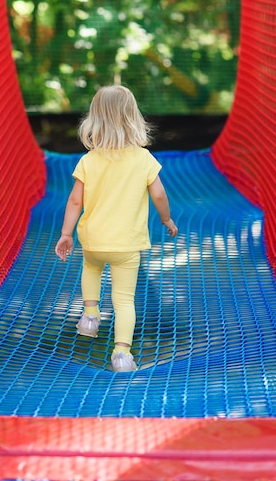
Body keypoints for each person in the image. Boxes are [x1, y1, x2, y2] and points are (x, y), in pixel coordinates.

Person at [55, 85, 178, 372]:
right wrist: (166, 219)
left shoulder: (89, 160)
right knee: (124, 300)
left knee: (91, 268)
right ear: (133, 117)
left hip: (93, 240)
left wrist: (65, 234)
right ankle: (122, 354)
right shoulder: (143, 159)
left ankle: (89, 314)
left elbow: (75, 201)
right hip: (127, 245)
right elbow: (159, 194)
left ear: (94, 120)